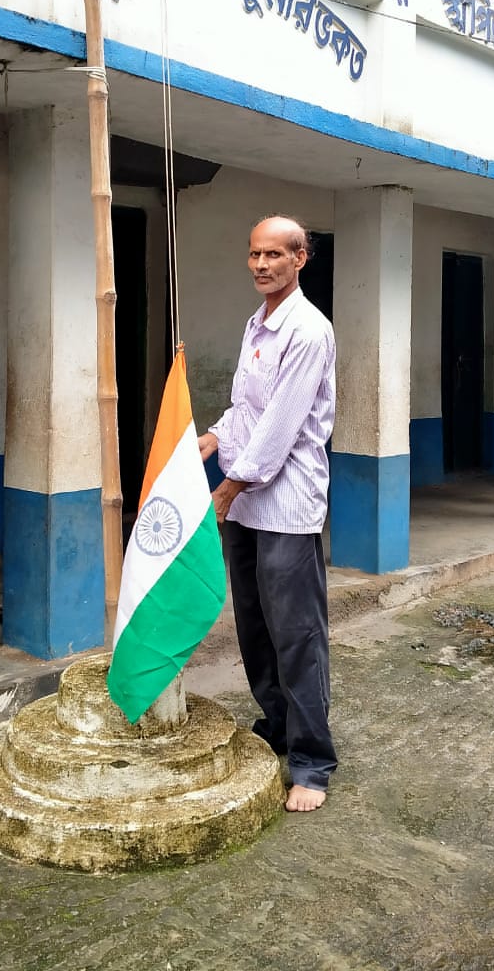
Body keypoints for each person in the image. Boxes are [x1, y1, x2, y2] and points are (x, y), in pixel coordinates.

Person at [198, 215, 337, 812]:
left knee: (296, 633)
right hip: (248, 500)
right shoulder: (256, 324)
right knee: (253, 625)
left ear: (300, 259)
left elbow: (279, 426)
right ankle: (277, 724)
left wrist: (227, 489)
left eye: (275, 254)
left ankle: (312, 762)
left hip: (286, 504)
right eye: (255, 253)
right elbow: (244, 408)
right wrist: (211, 439)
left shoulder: (308, 330)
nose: (261, 264)